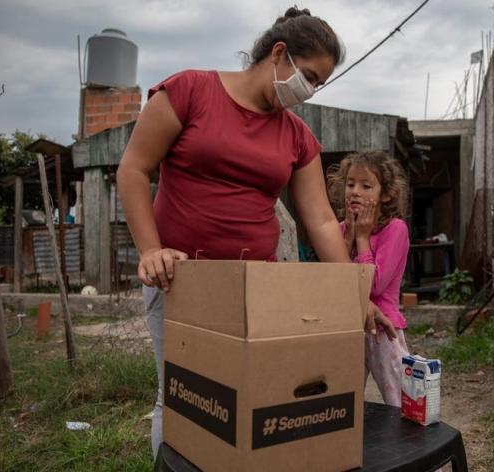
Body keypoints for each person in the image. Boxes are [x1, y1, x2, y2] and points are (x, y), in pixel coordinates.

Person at [116, 7, 395, 457]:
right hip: (180, 279)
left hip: (257, 286)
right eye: (308, 76)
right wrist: (150, 250)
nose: (309, 91)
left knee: (255, 393)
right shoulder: (189, 90)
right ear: (278, 54)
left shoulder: (297, 135)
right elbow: (133, 169)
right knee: (184, 394)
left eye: (320, 84)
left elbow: (321, 219)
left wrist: (354, 293)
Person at [327, 150, 411, 407]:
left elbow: (374, 286)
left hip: (382, 328)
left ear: (385, 194)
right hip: (348, 326)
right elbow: (332, 280)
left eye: (366, 186)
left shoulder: (395, 229)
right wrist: (349, 238)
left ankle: (408, 444)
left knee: (399, 398)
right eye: (350, 184)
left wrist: (362, 240)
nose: (355, 191)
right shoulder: (341, 229)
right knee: (343, 398)